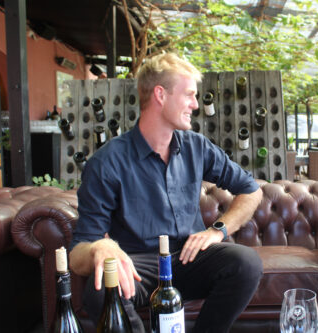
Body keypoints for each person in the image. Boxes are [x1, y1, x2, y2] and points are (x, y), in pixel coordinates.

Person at [69, 52, 263, 332]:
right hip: (140, 266)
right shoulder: (106, 162)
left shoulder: (197, 147)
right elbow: (78, 254)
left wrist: (218, 230)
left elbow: (251, 190)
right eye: (189, 95)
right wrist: (100, 246)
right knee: (100, 291)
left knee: (246, 262)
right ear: (160, 95)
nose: (196, 105)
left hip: (190, 258)